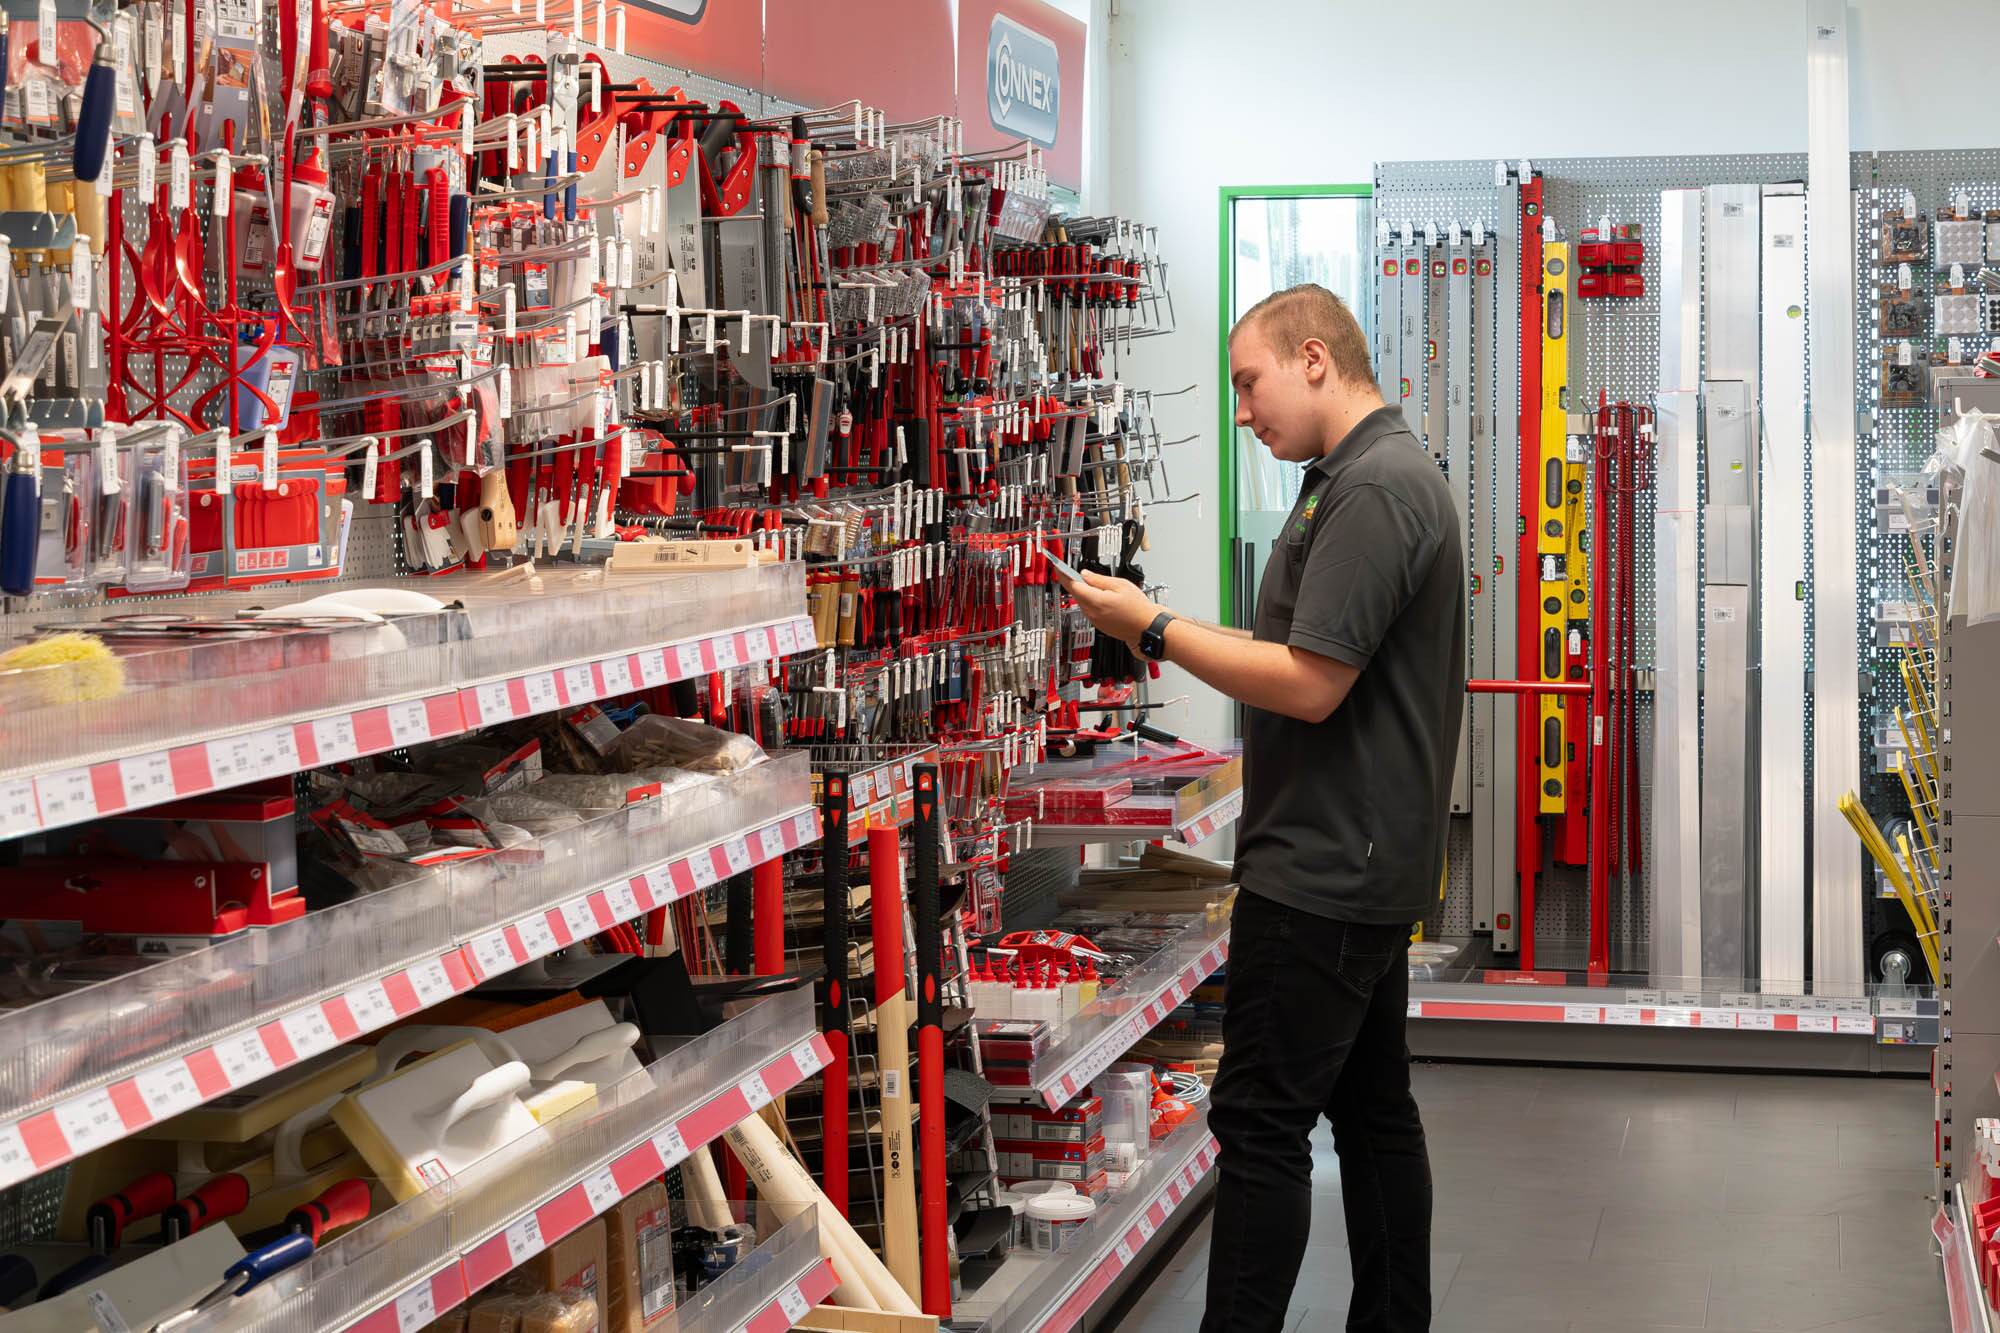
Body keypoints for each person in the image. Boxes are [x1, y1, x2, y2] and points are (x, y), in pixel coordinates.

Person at [1060, 283, 1465, 1332]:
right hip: (1358, 857)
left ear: (1315, 357)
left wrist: (1152, 628)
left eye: (1250, 382)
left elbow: (1308, 680)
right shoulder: (1350, 478)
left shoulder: (1373, 488)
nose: (1241, 411)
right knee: (1372, 1117)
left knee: (1260, 1125)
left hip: (1322, 868)